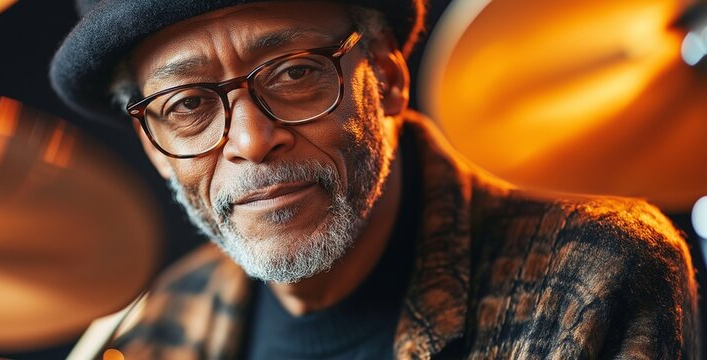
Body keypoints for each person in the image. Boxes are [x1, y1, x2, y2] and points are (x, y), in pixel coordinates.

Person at [50, 1, 699, 358]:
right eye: (187, 104)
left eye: (294, 72)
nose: (250, 140)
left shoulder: (590, 274)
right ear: (153, 145)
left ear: (385, 77)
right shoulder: (150, 333)